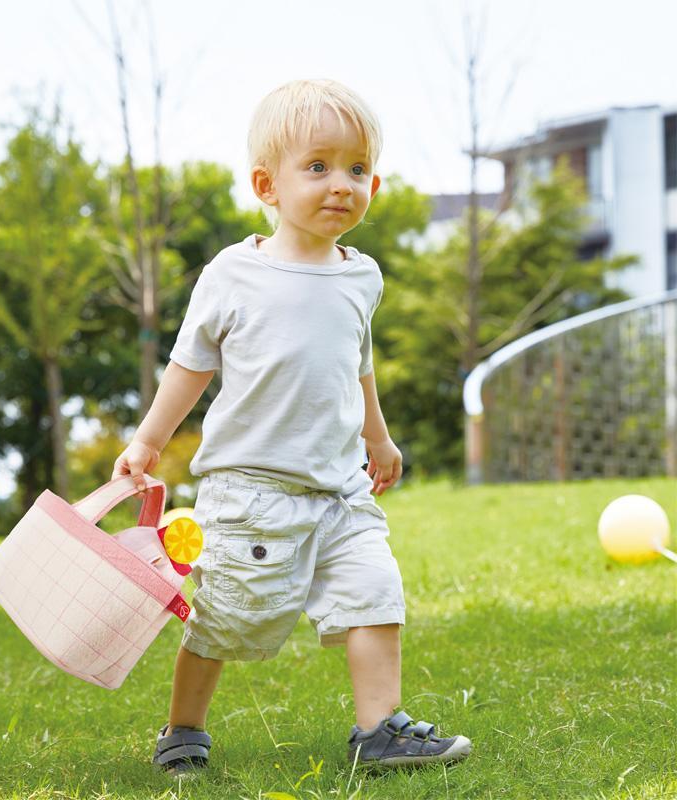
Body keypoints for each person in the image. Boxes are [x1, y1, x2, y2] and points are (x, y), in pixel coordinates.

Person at [111, 79, 472, 774]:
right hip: (253, 494)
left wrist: (378, 436)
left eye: (358, 169)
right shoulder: (234, 274)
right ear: (266, 185)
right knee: (226, 620)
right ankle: (182, 728)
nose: (342, 183)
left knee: (376, 593)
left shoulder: (361, 276)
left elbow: (355, 363)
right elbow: (190, 366)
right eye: (318, 166)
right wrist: (149, 441)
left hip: (340, 490)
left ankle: (380, 731)